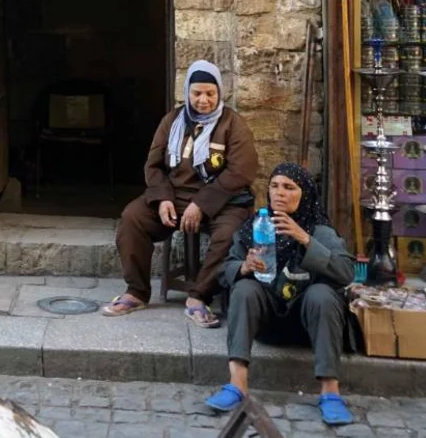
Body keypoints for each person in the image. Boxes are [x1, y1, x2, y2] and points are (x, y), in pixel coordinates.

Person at [103, 60, 258, 328]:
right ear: (187, 92)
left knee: (230, 234)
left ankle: (199, 297)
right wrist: (163, 198)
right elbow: (153, 165)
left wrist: (201, 203)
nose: (203, 100)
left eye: (210, 93)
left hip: (222, 201)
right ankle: (136, 292)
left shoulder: (232, 123)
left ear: (220, 93)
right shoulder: (172, 120)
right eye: (197, 93)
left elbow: (241, 172)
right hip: (174, 196)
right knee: (132, 218)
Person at [204, 163, 355, 427]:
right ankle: (237, 383)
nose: (279, 193)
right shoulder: (255, 226)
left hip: (307, 322)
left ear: (304, 194)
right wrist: (244, 266)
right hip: (267, 319)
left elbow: (345, 273)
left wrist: (304, 238)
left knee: (323, 294)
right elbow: (225, 269)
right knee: (244, 288)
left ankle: (330, 392)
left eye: (289, 187)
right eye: (274, 186)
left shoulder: (320, 230)